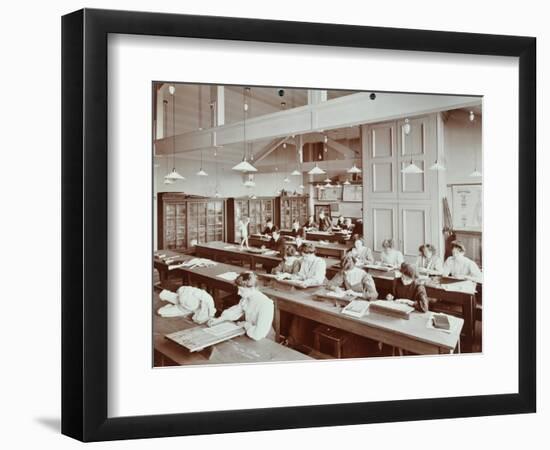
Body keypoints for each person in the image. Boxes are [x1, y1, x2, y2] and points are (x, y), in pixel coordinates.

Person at [208, 272, 275, 341]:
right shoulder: (246, 299)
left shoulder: (266, 304)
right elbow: (235, 311)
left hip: (265, 338)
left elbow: (258, 334)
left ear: (252, 288)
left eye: (241, 290)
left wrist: (245, 324)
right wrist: (219, 320)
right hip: (250, 332)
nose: (238, 293)